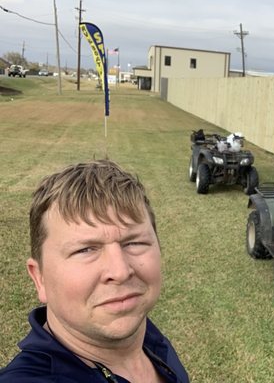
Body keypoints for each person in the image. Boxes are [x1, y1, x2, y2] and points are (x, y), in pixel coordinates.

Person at [0, 160, 189, 383]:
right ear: (39, 278)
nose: (120, 271)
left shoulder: (149, 338)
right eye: (85, 249)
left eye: (134, 243)